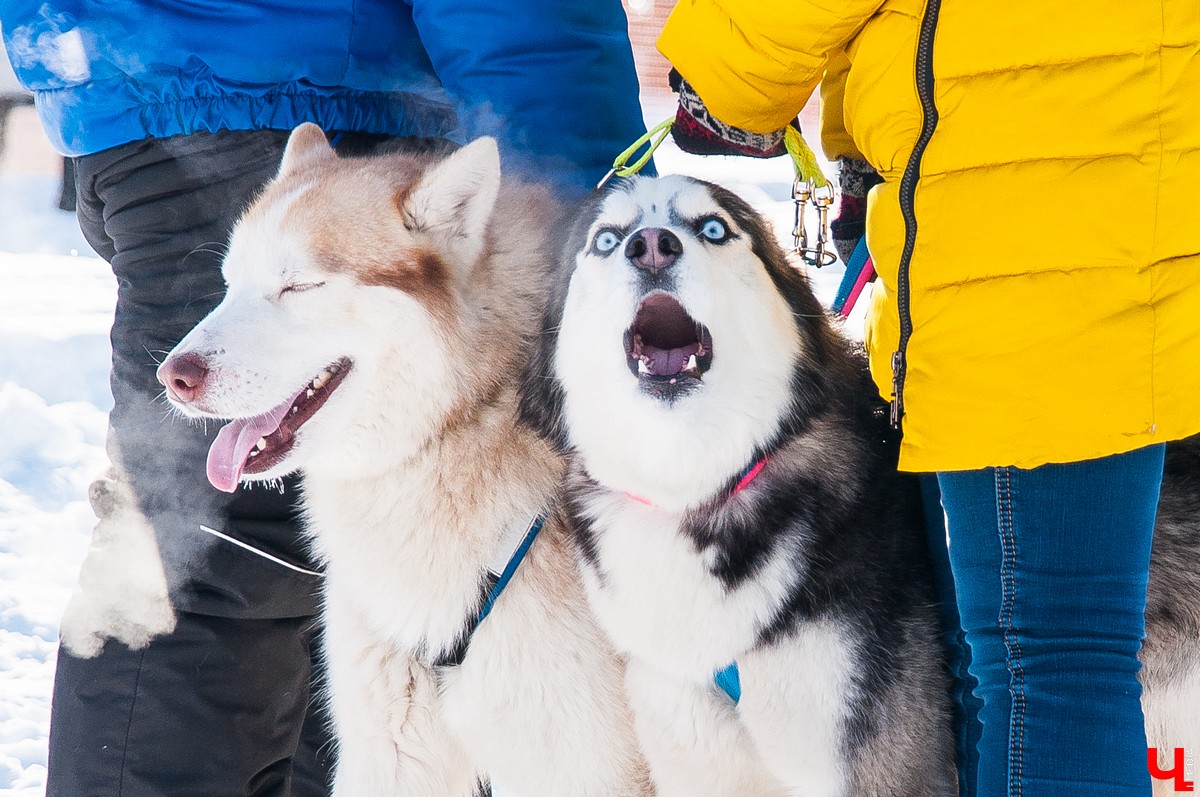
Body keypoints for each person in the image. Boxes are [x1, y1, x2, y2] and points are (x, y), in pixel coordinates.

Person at [0, 2, 648, 795]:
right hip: (277, 83)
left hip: (157, 81)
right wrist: (589, 200)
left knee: (310, 568)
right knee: (211, 558)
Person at [655, 3, 1200, 797]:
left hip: (1027, 197)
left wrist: (723, 74)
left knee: (1047, 668)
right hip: (1115, 170)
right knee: (1032, 668)